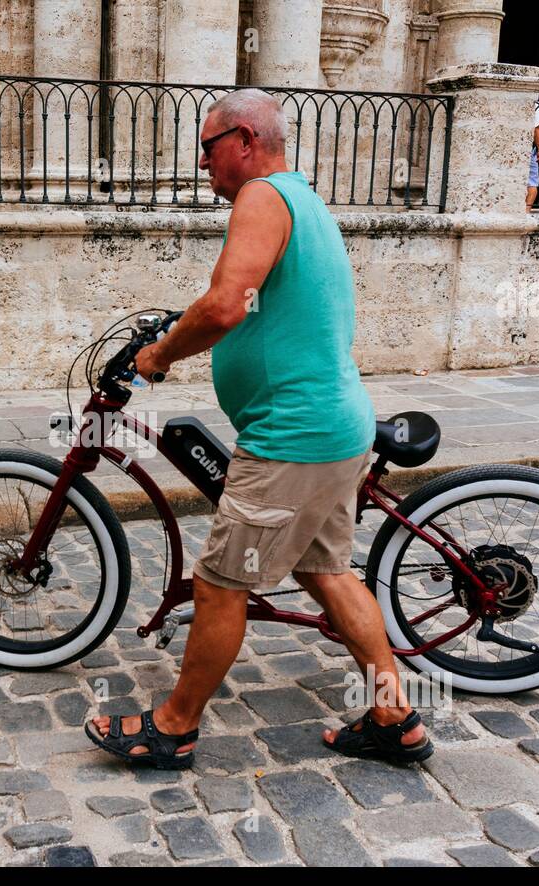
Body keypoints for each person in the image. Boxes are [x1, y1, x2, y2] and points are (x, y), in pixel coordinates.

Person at [84, 88, 433, 770]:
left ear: (243, 139)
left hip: (292, 438)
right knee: (328, 571)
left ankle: (173, 727)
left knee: (219, 583)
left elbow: (224, 306)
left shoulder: (263, 197)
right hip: (332, 425)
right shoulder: (301, 199)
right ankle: (395, 718)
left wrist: (157, 355)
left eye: (209, 149)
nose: (204, 165)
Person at [527, 98, 539, 212]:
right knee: (532, 182)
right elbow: (536, 127)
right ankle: (526, 212)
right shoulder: (535, 104)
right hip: (529, 147)